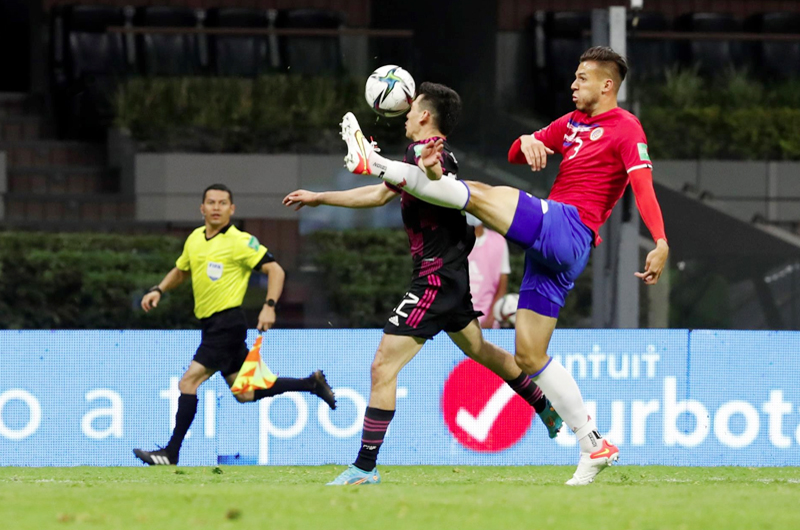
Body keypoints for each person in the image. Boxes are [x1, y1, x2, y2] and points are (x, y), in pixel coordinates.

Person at [339, 47, 669, 485]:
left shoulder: (626, 127)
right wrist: (529, 141)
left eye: (582, 78)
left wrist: (661, 240)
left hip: (570, 225)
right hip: (550, 249)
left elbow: (642, 185)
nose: (573, 84)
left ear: (607, 85)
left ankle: (376, 163)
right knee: (528, 354)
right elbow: (516, 153)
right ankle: (593, 444)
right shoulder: (570, 125)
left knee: (473, 192)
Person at [283, 82, 562, 485]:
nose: (408, 114)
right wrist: (320, 197)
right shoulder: (420, 158)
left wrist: (425, 166)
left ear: (426, 117)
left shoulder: (429, 153)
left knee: (383, 366)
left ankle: (364, 468)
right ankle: (543, 405)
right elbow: (382, 194)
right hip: (449, 276)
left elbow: (436, 175)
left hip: (435, 277)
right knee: (480, 349)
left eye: (414, 110)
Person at [133, 184, 336, 466]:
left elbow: (275, 270)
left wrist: (270, 306)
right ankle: (310, 383)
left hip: (226, 324)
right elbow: (182, 270)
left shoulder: (241, 241)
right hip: (211, 325)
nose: (216, 207)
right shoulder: (194, 238)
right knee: (245, 393)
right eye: (211, 202)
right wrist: (159, 289)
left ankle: (171, 453)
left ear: (232, 209)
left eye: (223, 203)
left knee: (188, 381)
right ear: (202, 208)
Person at [465, 213, 511, 329]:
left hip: (488, 323)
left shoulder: (498, 241)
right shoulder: (454, 242)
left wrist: (491, 318)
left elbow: (502, 287)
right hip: (459, 323)